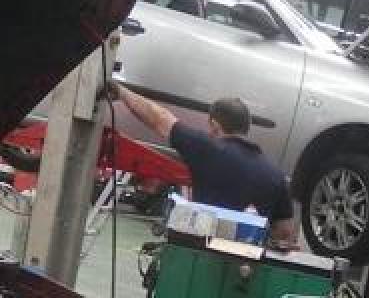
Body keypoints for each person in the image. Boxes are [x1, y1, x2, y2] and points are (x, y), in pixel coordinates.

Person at [110, 83, 298, 248]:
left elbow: (159, 118)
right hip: (246, 262)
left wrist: (120, 91)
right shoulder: (275, 175)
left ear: (214, 125)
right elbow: (284, 232)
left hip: (201, 252)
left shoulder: (207, 148)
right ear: (246, 128)